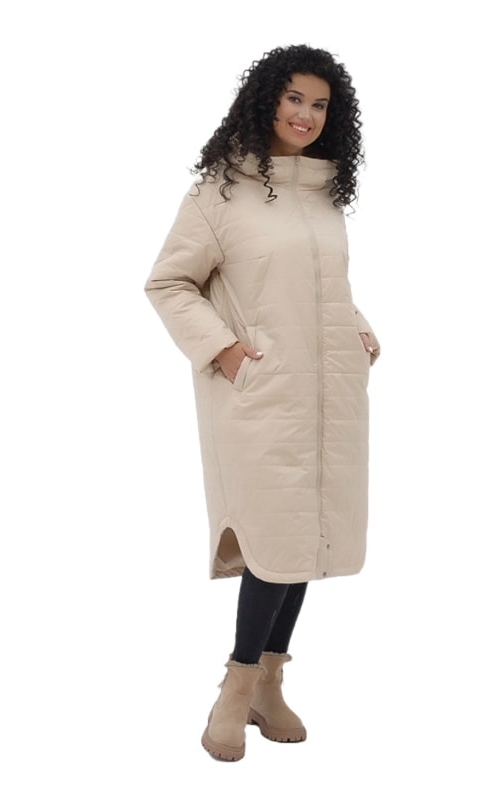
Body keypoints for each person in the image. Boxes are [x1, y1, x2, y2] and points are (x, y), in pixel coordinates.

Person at [144, 43, 380, 762]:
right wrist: (222, 349)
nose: (306, 115)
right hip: (263, 395)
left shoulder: (322, 194)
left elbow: (316, 289)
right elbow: (169, 282)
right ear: (266, 100)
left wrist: (356, 327)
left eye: (320, 104)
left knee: (307, 542)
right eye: (294, 98)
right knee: (274, 544)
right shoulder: (219, 192)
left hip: (330, 392)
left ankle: (270, 684)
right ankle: (237, 687)